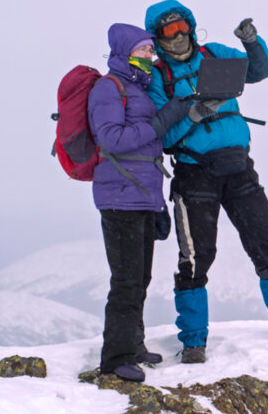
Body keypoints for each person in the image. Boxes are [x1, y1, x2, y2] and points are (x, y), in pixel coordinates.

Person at [143, 0, 268, 364]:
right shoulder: (158, 78)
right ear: (158, 36)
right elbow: (162, 137)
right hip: (194, 174)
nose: (178, 35)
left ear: (191, 26)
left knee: (267, 247)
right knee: (196, 259)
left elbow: (260, 71)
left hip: (239, 168)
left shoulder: (215, 54)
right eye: (169, 30)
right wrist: (194, 115)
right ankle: (194, 343)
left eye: (183, 26)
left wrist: (251, 42)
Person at [88, 23, 194, 381]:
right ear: (124, 52)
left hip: (141, 195)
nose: (151, 54)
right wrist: (162, 121)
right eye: (143, 49)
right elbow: (112, 139)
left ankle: (132, 344)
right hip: (119, 197)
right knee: (126, 280)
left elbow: (148, 151)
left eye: (151, 49)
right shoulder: (108, 88)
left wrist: (157, 204)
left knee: (140, 277)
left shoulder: (138, 88)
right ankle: (115, 358)